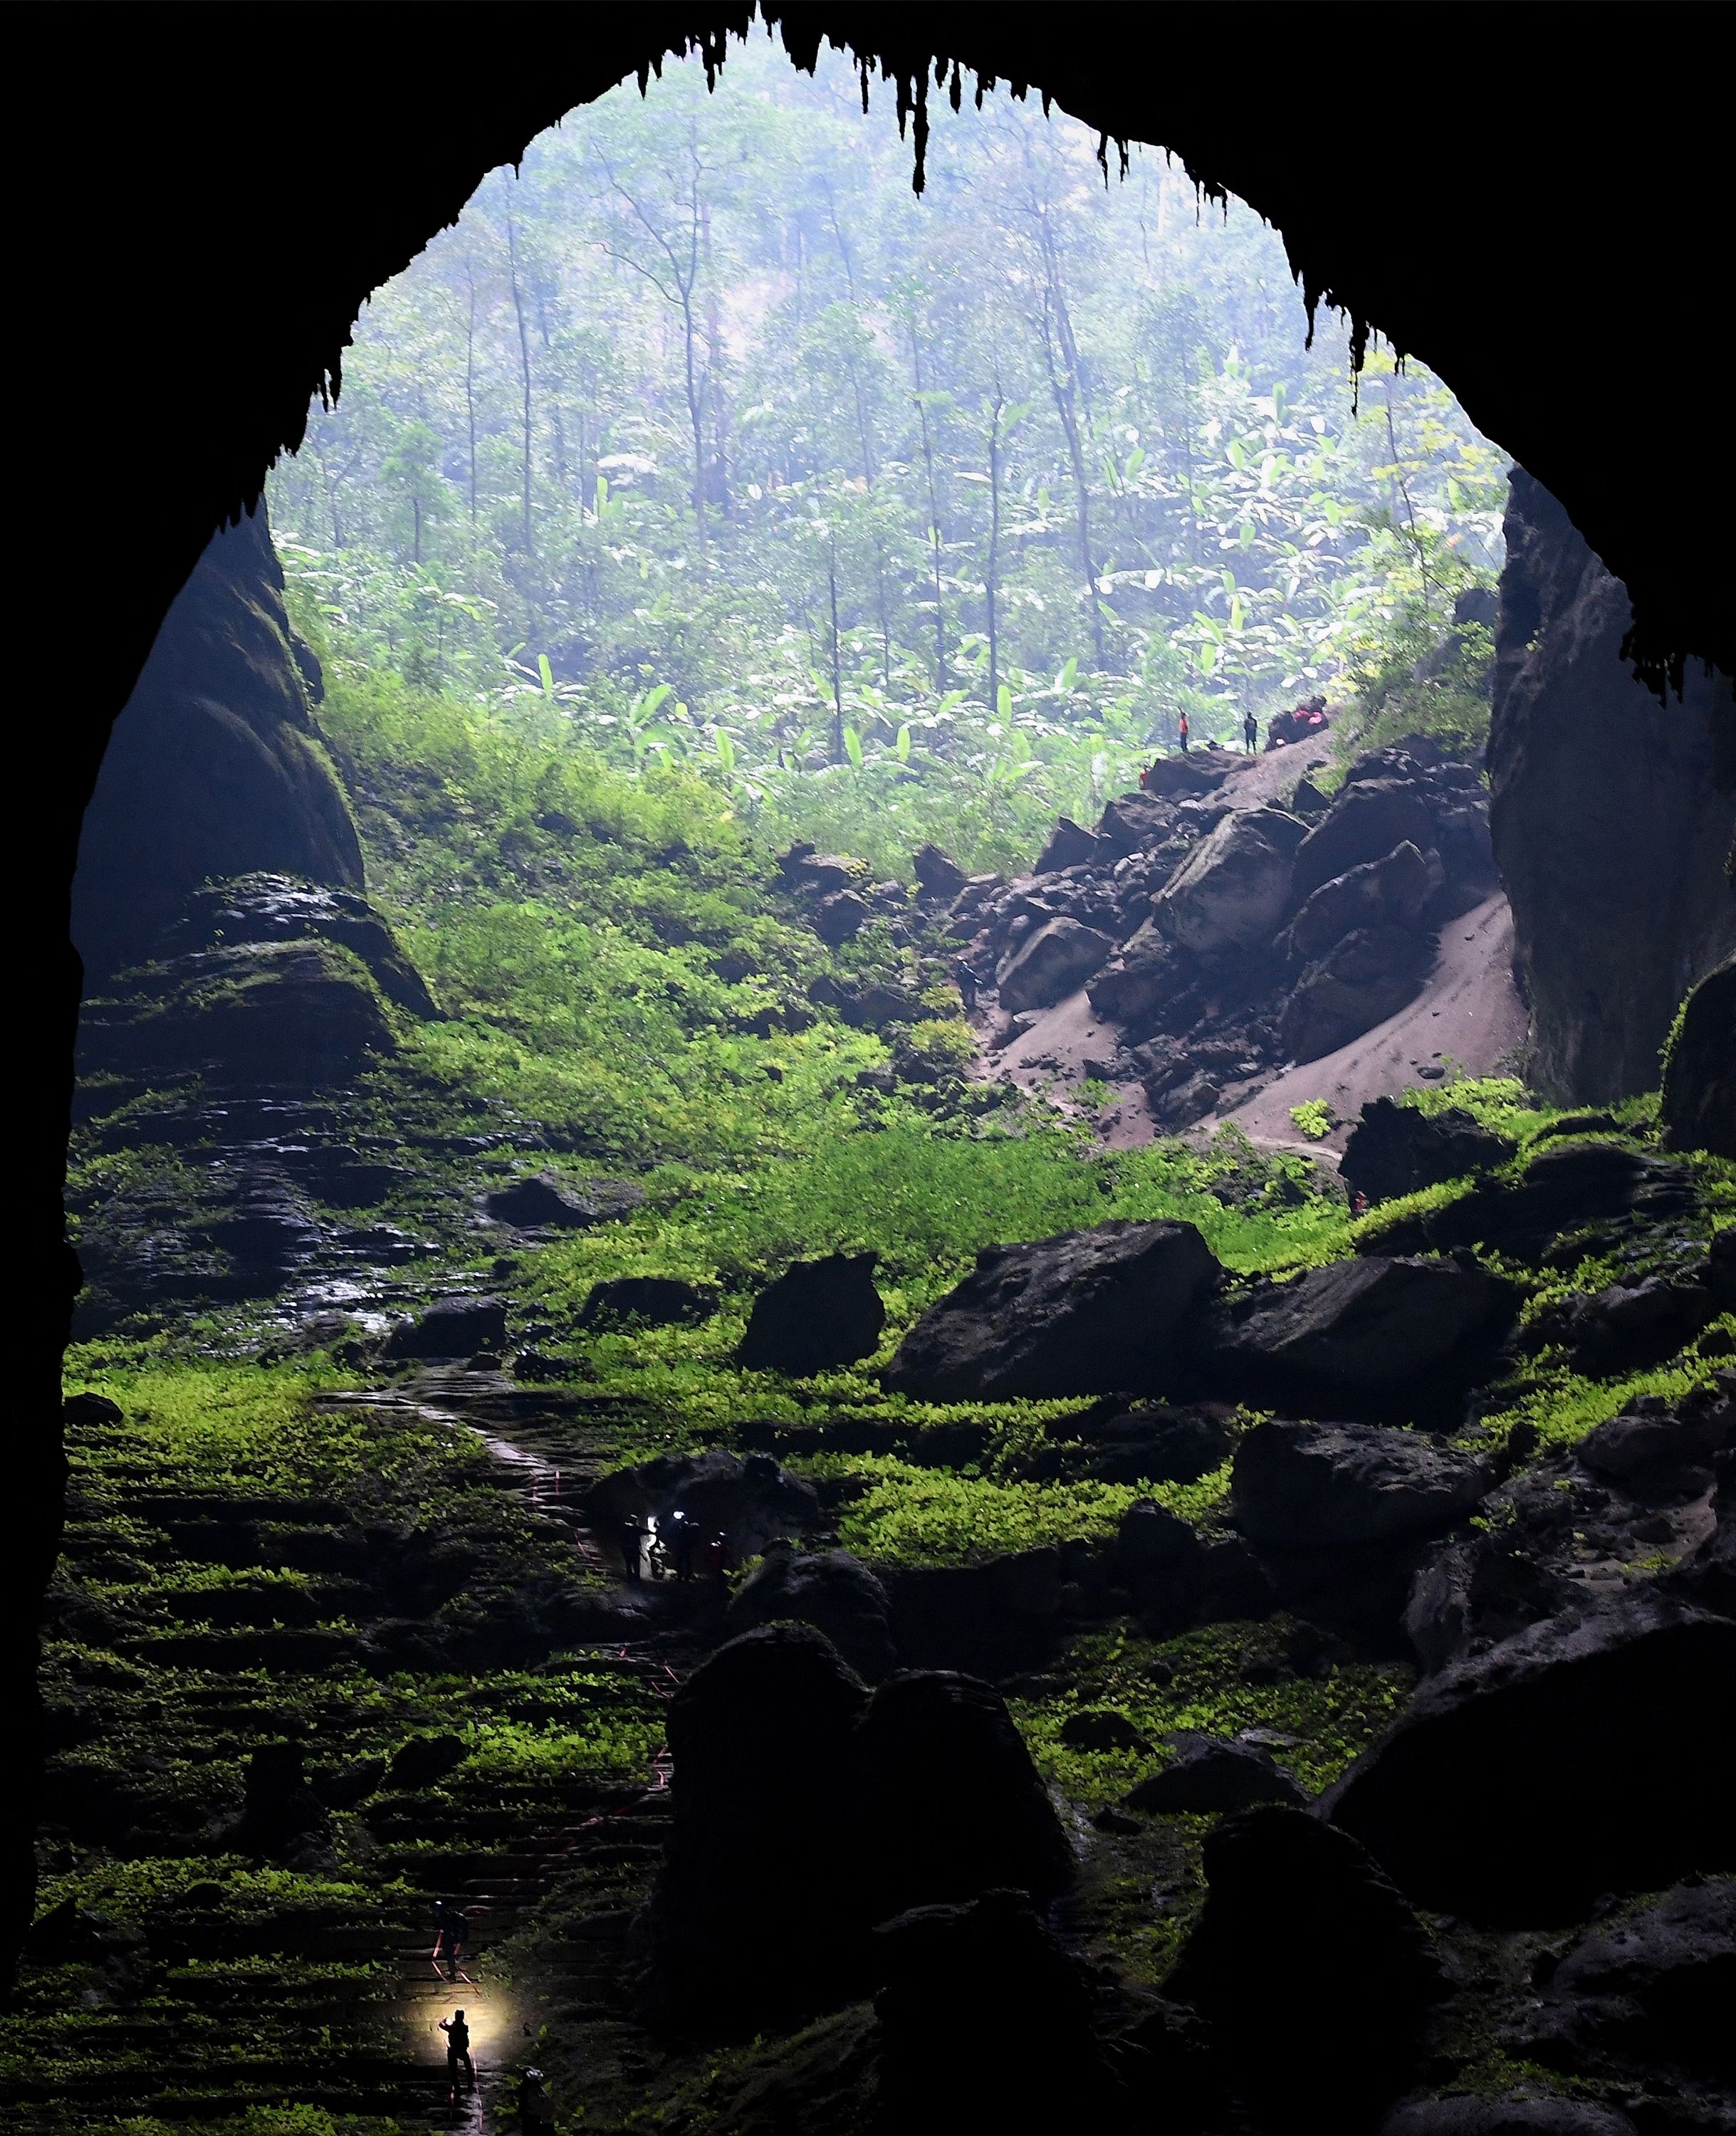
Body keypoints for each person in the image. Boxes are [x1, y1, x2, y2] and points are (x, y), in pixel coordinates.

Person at [431, 1898, 466, 1981]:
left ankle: (453, 1974)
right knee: (451, 1956)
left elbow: (445, 1927)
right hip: (452, 1939)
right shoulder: (449, 1915)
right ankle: (452, 1973)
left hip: (449, 1939)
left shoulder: (444, 1916)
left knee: (450, 1956)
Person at [440, 2009, 474, 2092]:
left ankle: (458, 2087)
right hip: (461, 2050)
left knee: (453, 2070)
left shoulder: (454, 2027)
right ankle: (469, 2085)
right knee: (468, 2068)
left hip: (454, 2050)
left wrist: (444, 2021)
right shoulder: (464, 2027)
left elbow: (441, 2025)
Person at [517, 2067, 557, 2132]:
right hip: (540, 2117)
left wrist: (520, 2115)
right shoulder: (539, 2089)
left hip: (530, 2116)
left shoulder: (525, 2088)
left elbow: (522, 2104)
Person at [669, 1509, 699, 1583]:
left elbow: (696, 1527)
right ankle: (681, 1577)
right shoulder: (682, 1527)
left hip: (685, 1548)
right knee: (681, 1563)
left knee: (686, 1563)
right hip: (682, 1548)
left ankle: (685, 1578)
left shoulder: (688, 1527)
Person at [619, 1514, 644, 1582]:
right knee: (636, 1564)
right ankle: (636, 1577)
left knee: (629, 1563)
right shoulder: (636, 1529)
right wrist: (653, 1532)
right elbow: (644, 1531)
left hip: (627, 1548)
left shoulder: (626, 1527)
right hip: (634, 1548)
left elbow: (622, 1538)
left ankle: (630, 1577)